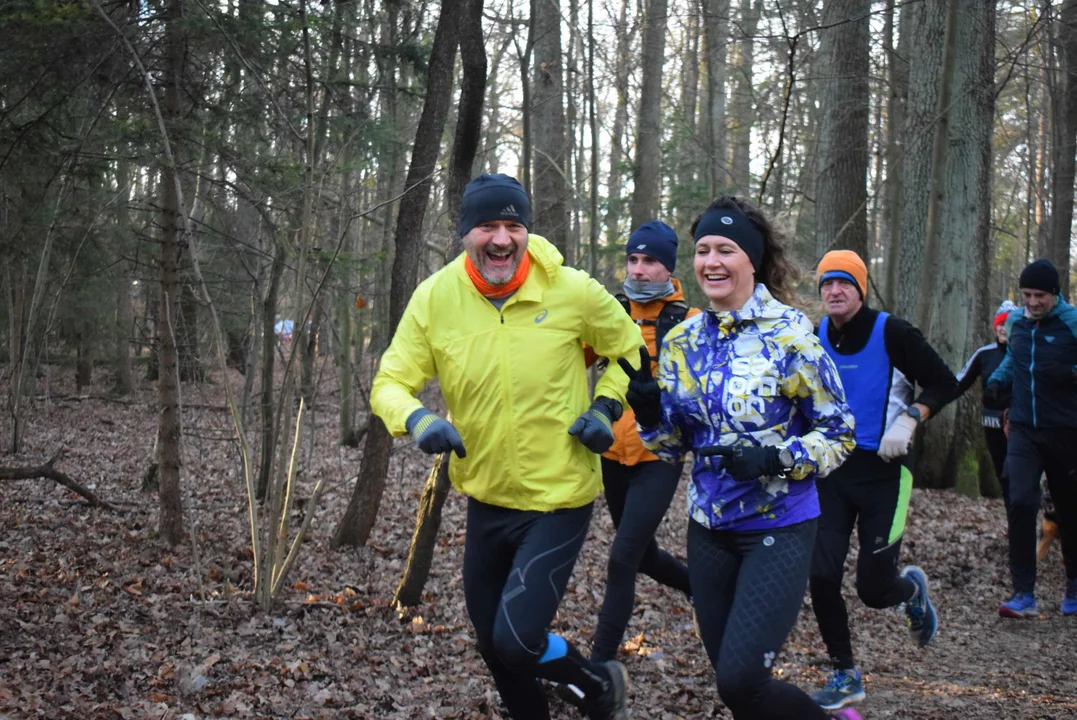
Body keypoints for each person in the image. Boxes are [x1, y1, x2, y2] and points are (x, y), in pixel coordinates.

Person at [370, 173, 645, 720]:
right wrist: (418, 419)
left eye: (513, 225)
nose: (501, 238)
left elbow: (631, 352)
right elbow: (388, 384)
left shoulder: (572, 290)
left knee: (516, 641)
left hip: (558, 498)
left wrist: (606, 408)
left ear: (526, 232)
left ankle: (597, 679)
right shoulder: (436, 299)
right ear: (464, 233)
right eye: (486, 226)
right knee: (495, 648)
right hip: (487, 498)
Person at [619, 196, 861, 720]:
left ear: (751, 260)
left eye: (725, 249)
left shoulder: (790, 334)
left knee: (743, 677)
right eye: (703, 249)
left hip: (780, 527)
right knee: (736, 689)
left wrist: (775, 459)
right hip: (708, 526)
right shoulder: (683, 339)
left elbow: (839, 434)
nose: (711, 261)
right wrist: (649, 415)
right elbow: (672, 446)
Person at [808, 250, 956, 712]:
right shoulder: (813, 336)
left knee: (873, 589)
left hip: (885, 474)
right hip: (832, 472)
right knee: (820, 573)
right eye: (827, 284)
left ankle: (910, 589)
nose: (835, 291)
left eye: (844, 284)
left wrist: (911, 418)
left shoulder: (891, 331)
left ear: (861, 289)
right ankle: (844, 673)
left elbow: (943, 381)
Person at [584, 221, 697, 666]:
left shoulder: (687, 321)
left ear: (667, 267)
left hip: (658, 456)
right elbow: (573, 356)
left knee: (622, 558)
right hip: (611, 453)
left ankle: (597, 669)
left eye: (650, 261)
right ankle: (695, 586)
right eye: (633, 259)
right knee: (644, 554)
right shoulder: (609, 312)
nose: (639, 269)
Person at [985, 259, 1077, 618]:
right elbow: (1013, 360)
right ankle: (1023, 592)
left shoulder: (1071, 323)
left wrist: (1070, 372)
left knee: (1069, 511)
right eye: (1027, 295)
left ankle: (1073, 586)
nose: (1033, 302)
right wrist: (997, 381)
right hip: (1023, 428)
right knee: (1020, 500)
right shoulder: (1017, 323)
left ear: (1055, 294)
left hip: (1066, 431)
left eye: (1040, 295)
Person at [953, 300, 1018, 505]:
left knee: (1018, 476)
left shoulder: (1025, 353)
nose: (1003, 328)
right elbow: (958, 382)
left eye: (1008, 323)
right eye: (1000, 323)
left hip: (1020, 425)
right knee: (1003, 476)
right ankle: (1013, 522)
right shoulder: (984, 354)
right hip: (993, 425)